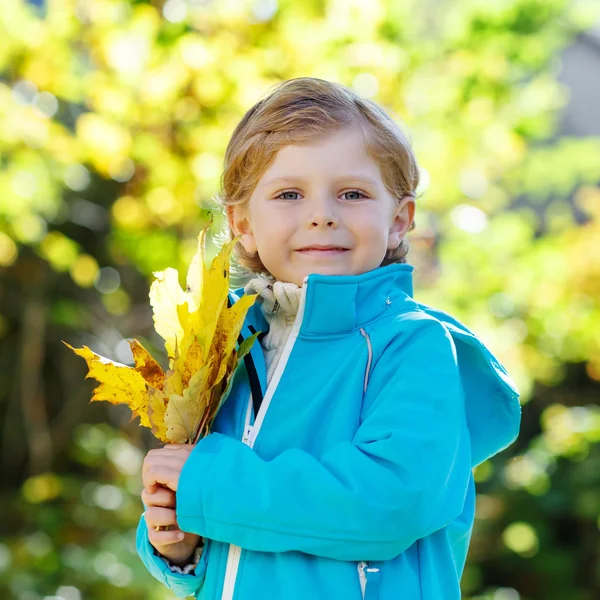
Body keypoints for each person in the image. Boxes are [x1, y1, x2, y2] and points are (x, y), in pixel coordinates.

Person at [136, 77, 521, 600]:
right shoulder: (225, 349)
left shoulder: (412, 346)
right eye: (289, 193)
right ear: (242, 223)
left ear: (399, 220)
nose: (322, 214)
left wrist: (210, 488)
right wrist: (178, 543)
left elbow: (389, 502)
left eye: (353, 193)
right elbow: (228, 545)